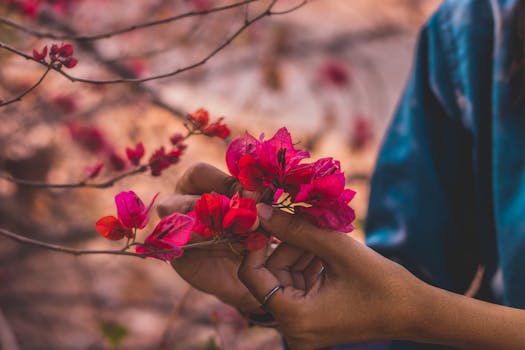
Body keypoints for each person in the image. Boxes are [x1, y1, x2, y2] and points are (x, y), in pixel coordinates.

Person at [159, 0, 525, 348]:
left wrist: (425, 316)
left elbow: (412, 308)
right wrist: (284, 291)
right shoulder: (477, 31)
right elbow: (405, 283)